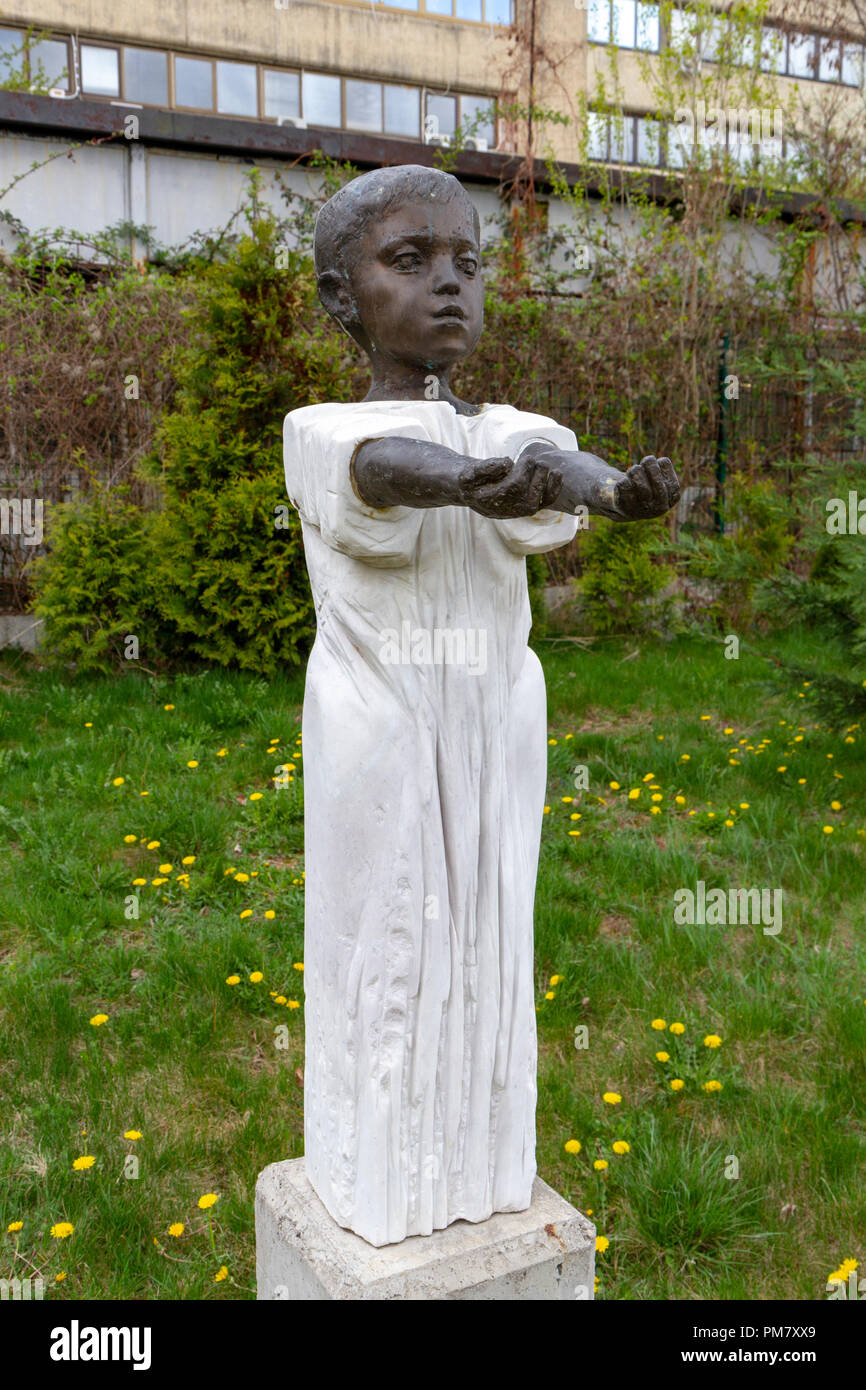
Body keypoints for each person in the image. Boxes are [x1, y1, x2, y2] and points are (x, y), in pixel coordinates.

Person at [283, 164, 679, 1247]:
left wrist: (611, 491)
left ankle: (483, 1161)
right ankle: (379, 1179)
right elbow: (383, 465)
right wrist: (464, 483)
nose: (447, 284)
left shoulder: (512, 423)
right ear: (338, 296)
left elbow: (553, 461)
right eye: (408, 262)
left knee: (489, 933)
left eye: (464, 261)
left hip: (497, 720)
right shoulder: (317, 426)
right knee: (394, 939)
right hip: (388, 730)